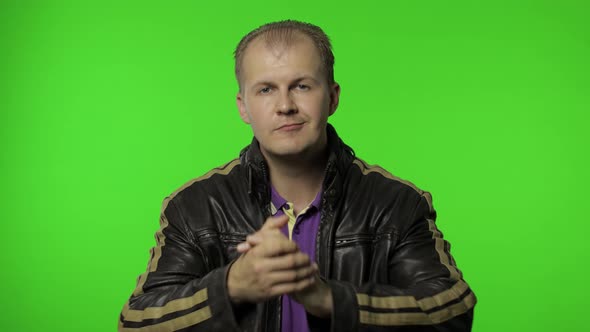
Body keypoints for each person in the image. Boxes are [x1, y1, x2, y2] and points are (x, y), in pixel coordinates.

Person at [118, 20, 476, 332]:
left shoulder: (396, 204)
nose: (285, 105)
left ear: (332, 98)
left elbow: (452, 312)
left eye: (302, 86)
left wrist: (328, 299)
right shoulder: (194, 207)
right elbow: (136, 322)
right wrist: (230, 287)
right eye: (266, 89)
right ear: (243, 106)